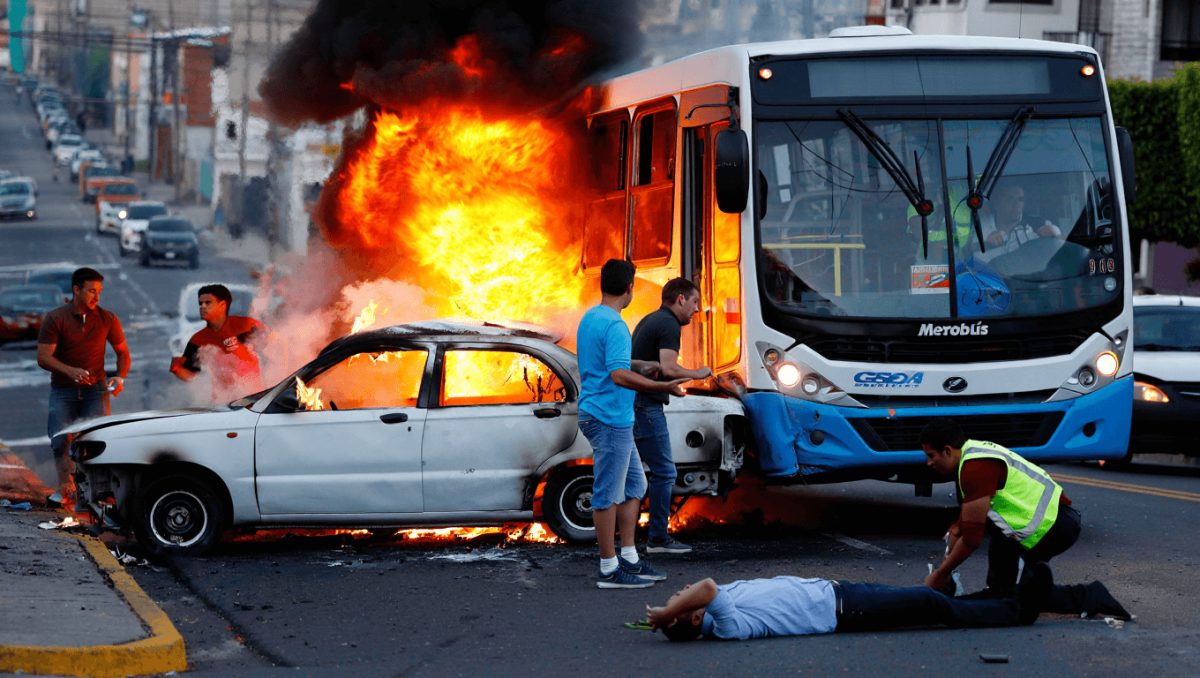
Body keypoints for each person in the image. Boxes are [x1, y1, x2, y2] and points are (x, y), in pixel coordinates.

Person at [644, 564, 1130, 641]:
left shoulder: (717, 609)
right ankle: (1020, 611)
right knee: (932, 605)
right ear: (692, 617)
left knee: (928, 601)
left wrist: (671, 614)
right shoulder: (722, 623)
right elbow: (704, 585)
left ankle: (1041, 599)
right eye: (679, 605)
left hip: (839, 594)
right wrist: (666, 614)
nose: (677, 598)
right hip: (844, 612)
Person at [577, 259, 689, 589]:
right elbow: (617, 374)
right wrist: (660, 386)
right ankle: (609, 569)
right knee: (607, 493)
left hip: (610, 417)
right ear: (630, 288)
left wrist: (645, 365)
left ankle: (629, 558)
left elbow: (613, 364)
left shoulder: (592, 318)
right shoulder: (614, 325)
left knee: (634, 487)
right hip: (609, 417)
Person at [920, 418, 1081, 598]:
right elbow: (962, 526)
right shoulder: (972, 454)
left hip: (1053, 528)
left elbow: (972, 538)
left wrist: (940, 575)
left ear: (947, 451)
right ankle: (1002, 592)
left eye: (931, 455)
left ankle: (1090, 596)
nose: (929, 463)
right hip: (1057, 521)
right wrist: (945, 566)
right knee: (1004, 593)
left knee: (1020, 600)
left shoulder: (974, 469)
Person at [630, 278, 712, 555]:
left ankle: (637, 537)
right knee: (665, 472)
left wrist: (671, 387)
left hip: (639, 403)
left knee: (636, 474)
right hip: (645, 406)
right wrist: (697, 373)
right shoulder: (668, 324)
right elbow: (668, 367)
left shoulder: (651, 319)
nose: (697, 309)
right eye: (694, 302)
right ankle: (658, 539)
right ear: (680, 299)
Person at [36, 267, 131, 498]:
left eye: (99, 291)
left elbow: (122, 353)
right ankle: (65, 489)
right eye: (91, 291)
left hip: (96, 391)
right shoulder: (56, 318)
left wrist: (120, 376)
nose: (97, 297)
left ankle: (99, 493)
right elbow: (43, 357)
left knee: (98, 442)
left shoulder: (108, 318)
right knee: (60, 441)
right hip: (62, 390)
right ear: (76, 290)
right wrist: (70, 371)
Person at [169, 284, 266, 400]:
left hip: (254, 402)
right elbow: (190, 374)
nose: (202, 307)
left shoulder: (246, 326)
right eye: (200, 303)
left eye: (208, 303)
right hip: (222, 403)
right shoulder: (198, 340)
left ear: (222, 305)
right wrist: (177, 368)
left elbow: (275, 346)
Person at [982, 183, 1062, 254]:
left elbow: (1060, 242)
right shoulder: (979, 228)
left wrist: (1055, 232)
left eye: (1020, 200)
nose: (1016, 204)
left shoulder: (1037, 224)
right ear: (997, 203)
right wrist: (985, 244)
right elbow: (970, 253)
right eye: (1010, 199)